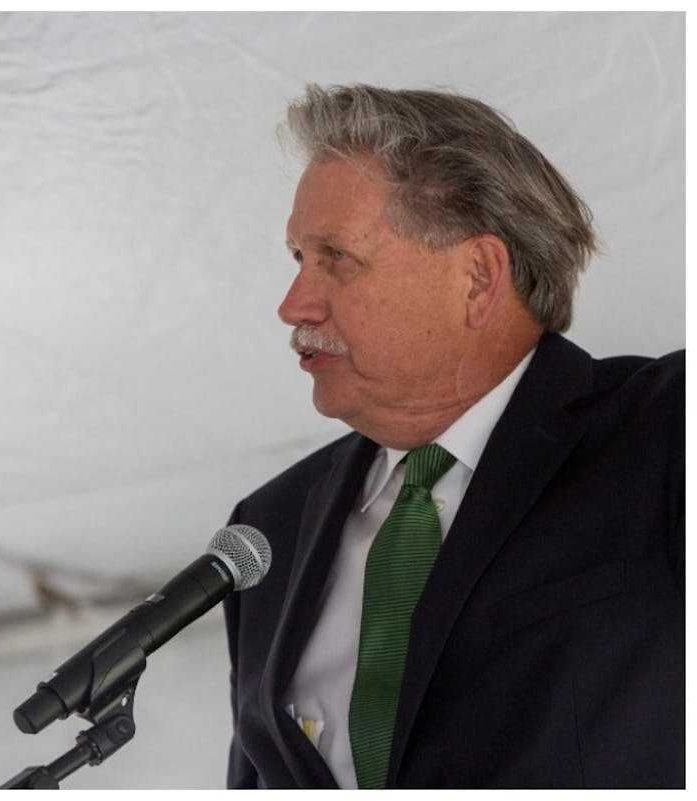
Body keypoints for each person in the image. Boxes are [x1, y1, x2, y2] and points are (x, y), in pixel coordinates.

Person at [224, 84, 682, 789]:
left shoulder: (661, 430)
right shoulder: (266, 529)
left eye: (336, 257)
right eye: (297, 258)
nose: (294, 304)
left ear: (477, 278)